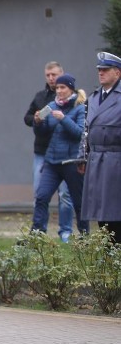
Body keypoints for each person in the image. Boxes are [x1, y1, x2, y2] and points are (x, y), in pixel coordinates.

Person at [31, 74, 89, 237]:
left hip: (72, 162)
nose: (59, 90)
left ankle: (85, 238)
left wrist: (63, 119)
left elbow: (79, 133)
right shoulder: (51, 106)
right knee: (41, 197)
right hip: (52, 161)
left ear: (71, 88)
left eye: (63, 87)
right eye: (57, 87)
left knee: (78, 203)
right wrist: (38, 122)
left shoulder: (80, 107)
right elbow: (42, 132)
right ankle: (37, 235)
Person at [24, 61, 75, 242]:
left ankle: (65, 232)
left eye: (54, 74)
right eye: (48, 75)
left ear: (62, 74)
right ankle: (39, 232)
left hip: (64, 154)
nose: (51, 78)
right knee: (40, 193)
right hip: (42, 151)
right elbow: (28, 118)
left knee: (65, 194)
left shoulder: (72, 99)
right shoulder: (41, 97)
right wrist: (37, 118)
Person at [80, 51, 121, 242]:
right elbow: (86, 129)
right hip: (96, 161)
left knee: (115, 213)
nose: (101, 73)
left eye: (105, 70)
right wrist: (83, 156)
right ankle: (107, 255)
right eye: (99, 70)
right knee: (101, 215)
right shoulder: (94, 97)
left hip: (115, 161)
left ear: (117, 73)